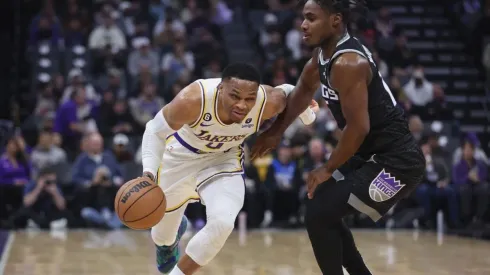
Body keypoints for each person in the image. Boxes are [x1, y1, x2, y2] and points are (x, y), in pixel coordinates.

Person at [251, 1, 426, 274]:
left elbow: (358, 128)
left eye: (311, 18)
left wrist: (327, 168)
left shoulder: (349, 62)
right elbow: (300, 95)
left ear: (335, 20)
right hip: (370, 155)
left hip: (397, 162)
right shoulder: (321, 59)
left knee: (320, 213)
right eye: (303, 18)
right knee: (321, 207)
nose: (303, 25)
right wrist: (274, 133)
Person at [140, 62, 318, 275]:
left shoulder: (266, 101)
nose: (242, 105)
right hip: (179, 159)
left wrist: (304, 112)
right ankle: (169, 240)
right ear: (220, 89)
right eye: (235, 96)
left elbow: (289, 91)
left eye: (249, 99)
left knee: (223, 223)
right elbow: (154, 130)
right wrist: (148, 174)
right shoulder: (193, 99)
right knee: (161, 235)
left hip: (223, 160)